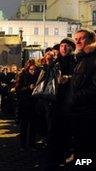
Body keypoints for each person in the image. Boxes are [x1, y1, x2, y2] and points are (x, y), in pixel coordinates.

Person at [65, 28, 96, 167]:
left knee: (87, 149)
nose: (77, 41)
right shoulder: (82, 58)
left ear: (90, 40)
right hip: (79, 110)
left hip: (88, 112)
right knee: (80, 145)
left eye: (81, 38)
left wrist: (74, 98)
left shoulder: (93, 59)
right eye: (75, 38)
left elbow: (94, 88)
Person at [46, 37, 76, 169]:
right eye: (62, 45)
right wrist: (48, 64)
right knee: (53, 131)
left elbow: (82, 77)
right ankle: (54, 157)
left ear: (72, 48)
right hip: (54, 101)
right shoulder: (56, 61)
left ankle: (65, 157)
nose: (63, 48)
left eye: (67, 46)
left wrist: (68, 78)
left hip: (68, 102)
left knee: (66, 132)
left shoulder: (76, 60)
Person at [15, 60, 39, 151]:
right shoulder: (22, 76)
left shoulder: (38, 77)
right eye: (31, 69)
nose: (33, 71)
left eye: (35, 69)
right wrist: (28, 88)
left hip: (34, 104)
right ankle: (23, 145)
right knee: (24, 126)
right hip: (24, 104)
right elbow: (18, 89)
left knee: (33, 126)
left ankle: (32, 144)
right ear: (28, 68)